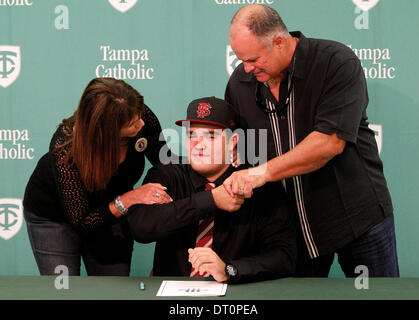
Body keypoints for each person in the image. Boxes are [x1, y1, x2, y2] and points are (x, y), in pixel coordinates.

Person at [223, 5, 399, 277]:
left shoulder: (335, 62)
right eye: (241, 59)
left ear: (279, 41)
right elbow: (242, 142)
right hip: (291, 230)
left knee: (378, 296)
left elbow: (329, 143)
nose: (246, 68)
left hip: (357, 219)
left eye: (253, 59)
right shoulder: (240, 82)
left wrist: (261, 173)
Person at [127, 97, 296, 283]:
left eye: (211, 136)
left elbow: (284, 256)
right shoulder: (167, 174)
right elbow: (140, 227)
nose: (198, 144)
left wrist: (229, 269)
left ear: (233, 142)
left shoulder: (257, 183)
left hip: (235, 298)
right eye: (192, 134)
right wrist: (211, 200)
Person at [23, 78, 173, 276]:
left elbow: (166, 161)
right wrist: (129, 199)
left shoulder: (135, 112)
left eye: (139, 116)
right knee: (63, 291)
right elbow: (82, 222)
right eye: (132, 123)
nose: (141, 123)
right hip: (55, 219)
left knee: (113, 289)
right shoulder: (66, 150)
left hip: (111, 212)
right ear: (106, 130)